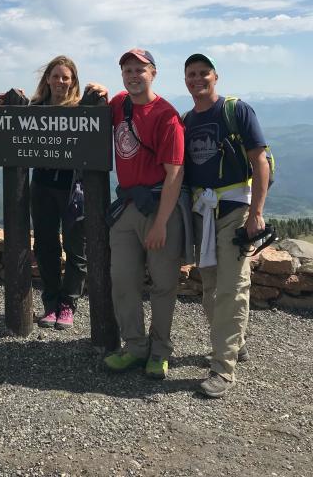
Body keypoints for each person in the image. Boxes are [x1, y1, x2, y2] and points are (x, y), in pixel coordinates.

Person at [183, 53, 269, 398]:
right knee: (210, 288)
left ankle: (222, 369)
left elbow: (259, 161)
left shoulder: (237, 110)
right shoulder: (187, 119)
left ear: (215, 77)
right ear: (185, 80)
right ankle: (236, 344)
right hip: (203, 213)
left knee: (232, 288)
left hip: (235, 210)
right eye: (192, 74)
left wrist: (256, 213)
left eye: (204, 73)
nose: (198, 79)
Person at [102, 49, 187, 379]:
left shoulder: (167, 116)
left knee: (164, 285)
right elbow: (87, 112)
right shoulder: (119, 103)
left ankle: (160, 351)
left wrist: (162, 223)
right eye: (127, 69)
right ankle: (135, 347)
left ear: (153, 73)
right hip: (126, 208)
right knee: (123, 280)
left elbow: (174, 174)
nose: (133, 75)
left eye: (140, 69)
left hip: (158, 208)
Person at [29, 55, 87, 330]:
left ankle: (68, 304)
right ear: (48, 79)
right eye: (56, 76)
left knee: (75, 248)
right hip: (41, 186)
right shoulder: (35, 107)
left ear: (73, 80)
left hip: (72, 190)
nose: (61, 81)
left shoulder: (81, 109)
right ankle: (51, 302)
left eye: (66, 77)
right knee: (45, 246)